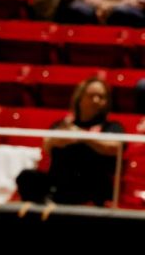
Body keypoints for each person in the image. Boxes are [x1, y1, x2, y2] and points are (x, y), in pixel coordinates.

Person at [15, 77, 124, 207]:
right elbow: (47, 145)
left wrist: (81, 136)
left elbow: (114, 147)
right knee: (27, 177)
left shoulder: (112, 127)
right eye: (91, 96)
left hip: (92, 186)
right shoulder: (62, 125)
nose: (96, 100)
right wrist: (61, 138)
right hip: (59, 185)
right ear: (79, 98)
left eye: (101, 97)